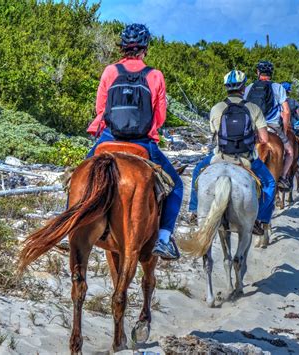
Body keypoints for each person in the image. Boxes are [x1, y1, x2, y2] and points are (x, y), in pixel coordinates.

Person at [86, 24, 183, 260]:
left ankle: (71, 226)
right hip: (142, 142)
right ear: (145, 48)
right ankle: (163, 239)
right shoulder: (155, 75)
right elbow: (159, 117)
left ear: (123, 47)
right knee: (177, 186)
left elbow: (101, 109)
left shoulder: (110, 71)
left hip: (109, 138)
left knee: (79, 176)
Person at [188, 70, 276, 235]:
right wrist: (250, 138)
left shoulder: (217, 108)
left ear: (226, 87)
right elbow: (264, 139)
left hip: (220, 155)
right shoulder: (253, 108)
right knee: (270, 183)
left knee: (196, 171)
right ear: (243, 87)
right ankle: (260, 219)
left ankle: (193, 210)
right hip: (246, 157)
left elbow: (216, 133)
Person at [244, 61, 292, 190]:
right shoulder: (278, 87)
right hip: (272, 125)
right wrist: (285, 131)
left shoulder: (249, 87)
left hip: (253, 127)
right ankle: (282, 178)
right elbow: (286, 111)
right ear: (271, 73)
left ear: (257, 72)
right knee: (290, 152)